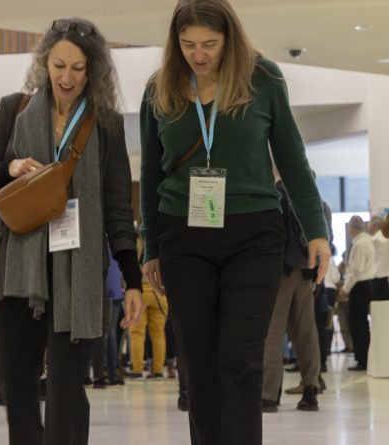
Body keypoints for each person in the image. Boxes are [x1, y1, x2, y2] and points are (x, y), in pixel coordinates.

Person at [139, 0, 331, 443]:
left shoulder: (262, 79)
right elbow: (151, 174)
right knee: (199, 364)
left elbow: (291, 156)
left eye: (209, 44)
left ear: (230, 38)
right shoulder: (160, 88)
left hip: (254, 234)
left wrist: (316, 232)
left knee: (240, 359)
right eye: (188, 45)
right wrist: (151, 246)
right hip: (182, 235)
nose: (199, 55)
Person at [0, 18, 143, 445]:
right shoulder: (15, 109)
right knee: (18, 388)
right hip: (18, 270)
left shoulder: (106, 124)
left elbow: (118, 207)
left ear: (93, 72)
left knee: (66, 390)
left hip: (79, 274)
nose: (67, 77)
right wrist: (7, 168)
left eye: (78, 68)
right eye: (59, 65)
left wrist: (132, 279)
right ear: (45, 63)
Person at [262, 177, 330, 412]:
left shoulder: (277, 194)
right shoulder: (316, 201)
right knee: (306, 332)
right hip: (305, 272)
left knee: (273, 333)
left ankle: (269, 395)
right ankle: (311, 389)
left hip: (280, 273)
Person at [340, 215, 375, 371]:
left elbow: (355, 270)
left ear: (352, 228)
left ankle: (362, 359)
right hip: (369, 284)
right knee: (363, 324)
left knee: (357, 324)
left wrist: (345, 288)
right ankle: (366, 358)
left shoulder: (359, 244)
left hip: (359, 286)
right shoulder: (369, 241)